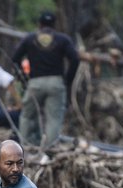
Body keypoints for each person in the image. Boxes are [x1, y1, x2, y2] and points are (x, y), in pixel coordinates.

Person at [12, 11, 80, 147]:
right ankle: (50, 151)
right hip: (56, 82)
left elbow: (15, 58)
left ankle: (25, 147)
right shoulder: (62, 39)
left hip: (35, 82)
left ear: (39, 24)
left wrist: (23, 77)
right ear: (54, 24)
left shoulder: (29, 38)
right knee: (54, 119)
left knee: (27, 115)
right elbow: (75, 59)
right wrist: (68, 79)